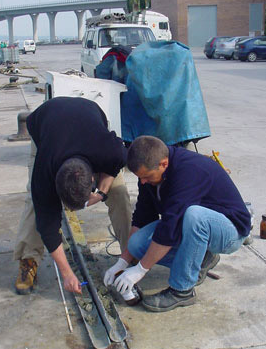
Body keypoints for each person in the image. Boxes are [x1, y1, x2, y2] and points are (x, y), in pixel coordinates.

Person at [104, 135, 250, 312]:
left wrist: (141, 269)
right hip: (190, 226)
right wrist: (123, 262)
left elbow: (169, 228)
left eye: (146, 177)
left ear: (164, 164)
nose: (142, 182)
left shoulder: (188, 172)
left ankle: (182, 290)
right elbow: (142, 217)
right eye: (139, 177)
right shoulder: (150, 173)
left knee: (194, 215)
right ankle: (202, 258)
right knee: (136, 244)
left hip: (229, 230)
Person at [14, 96, 132, 295]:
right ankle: (28, 258)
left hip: (89, 114)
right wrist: (67, 273)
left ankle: (130, 254)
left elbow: (117, 163)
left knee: (119, 192)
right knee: (34, 202)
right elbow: (47, 225)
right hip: (45, 123)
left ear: (93, 176)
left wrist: (102, 192)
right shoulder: (45, 170)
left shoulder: (110, 151)